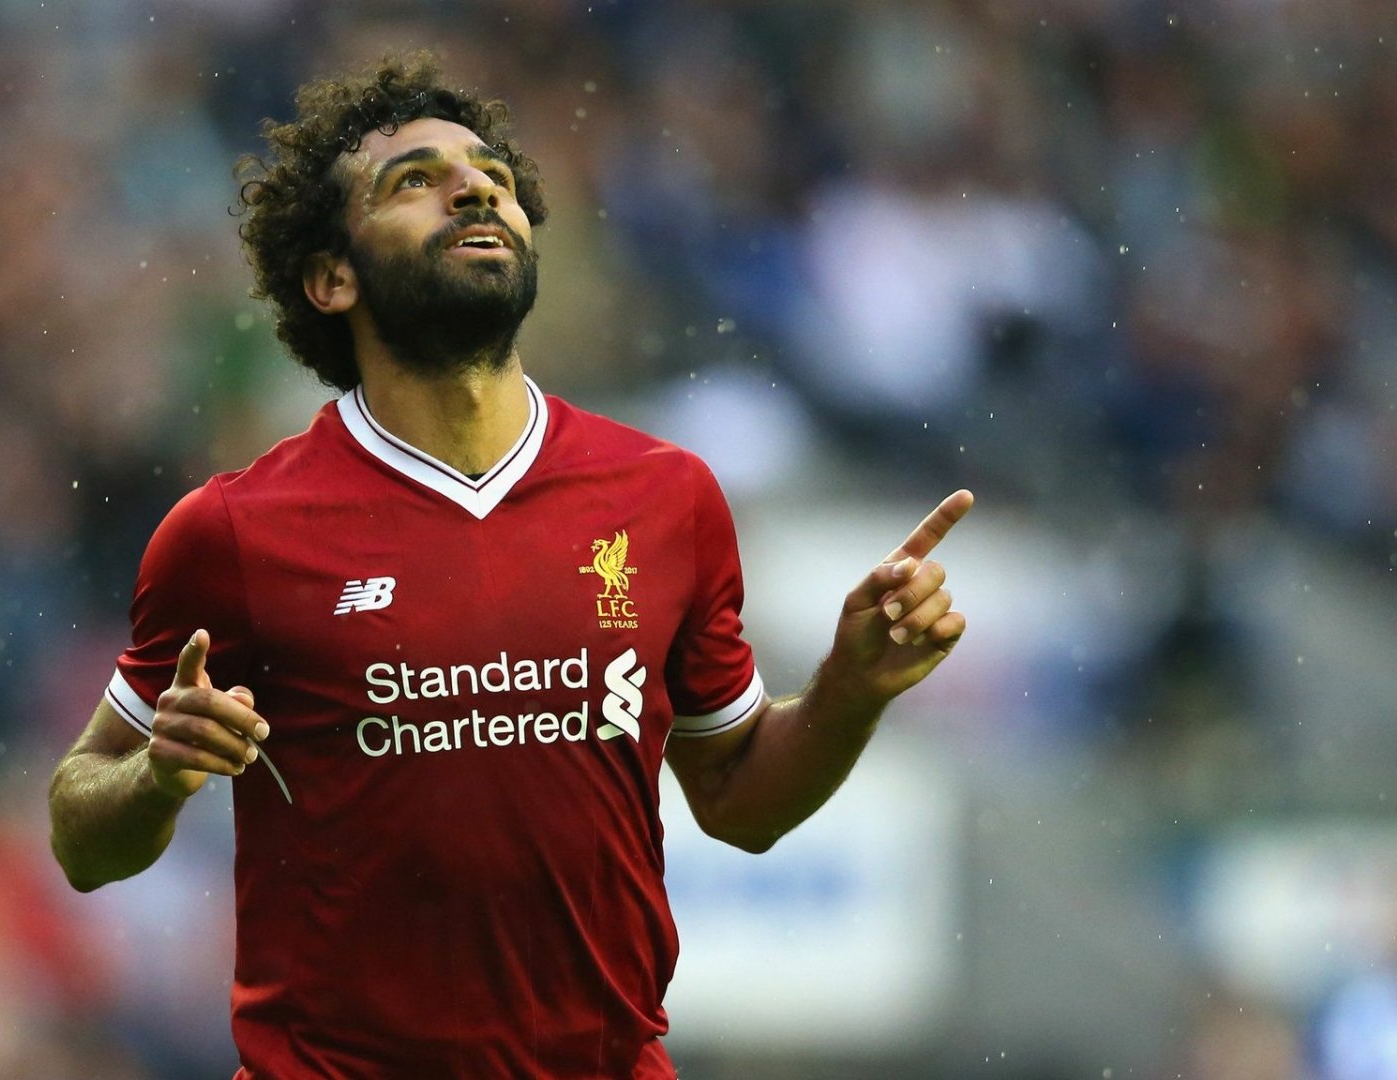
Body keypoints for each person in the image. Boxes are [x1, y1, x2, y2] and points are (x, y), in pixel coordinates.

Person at [48, 53, 972, 1079]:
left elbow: (738, 801)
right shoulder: (232, 533)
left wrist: (852, 686)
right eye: (414, 180)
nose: (476, 188)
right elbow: (83, 833)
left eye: (491, 174)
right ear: (331, 276)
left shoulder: (665, 497)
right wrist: (158, 778)